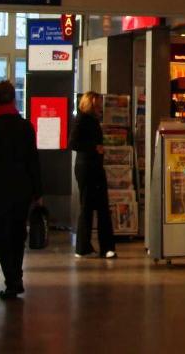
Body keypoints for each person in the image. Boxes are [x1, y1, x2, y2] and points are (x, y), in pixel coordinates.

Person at [0, 80, 42, 300]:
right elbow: (34, 160)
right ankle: (17, 276)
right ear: (14, 99)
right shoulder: (25, 127)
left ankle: (12, 280)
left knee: (3, 236)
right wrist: (37, 191)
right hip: (22, 189)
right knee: (18, 233)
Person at [70, 91, 116, 259]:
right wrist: (94, 148)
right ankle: (103, 247)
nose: (100, 108)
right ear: (91, 105)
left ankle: (84, 246)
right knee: (96, 206)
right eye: (97, 105)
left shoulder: (88, 120)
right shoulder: (83, 120)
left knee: (90, 206)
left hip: (90, 166)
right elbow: (73, 142)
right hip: (88, 167)